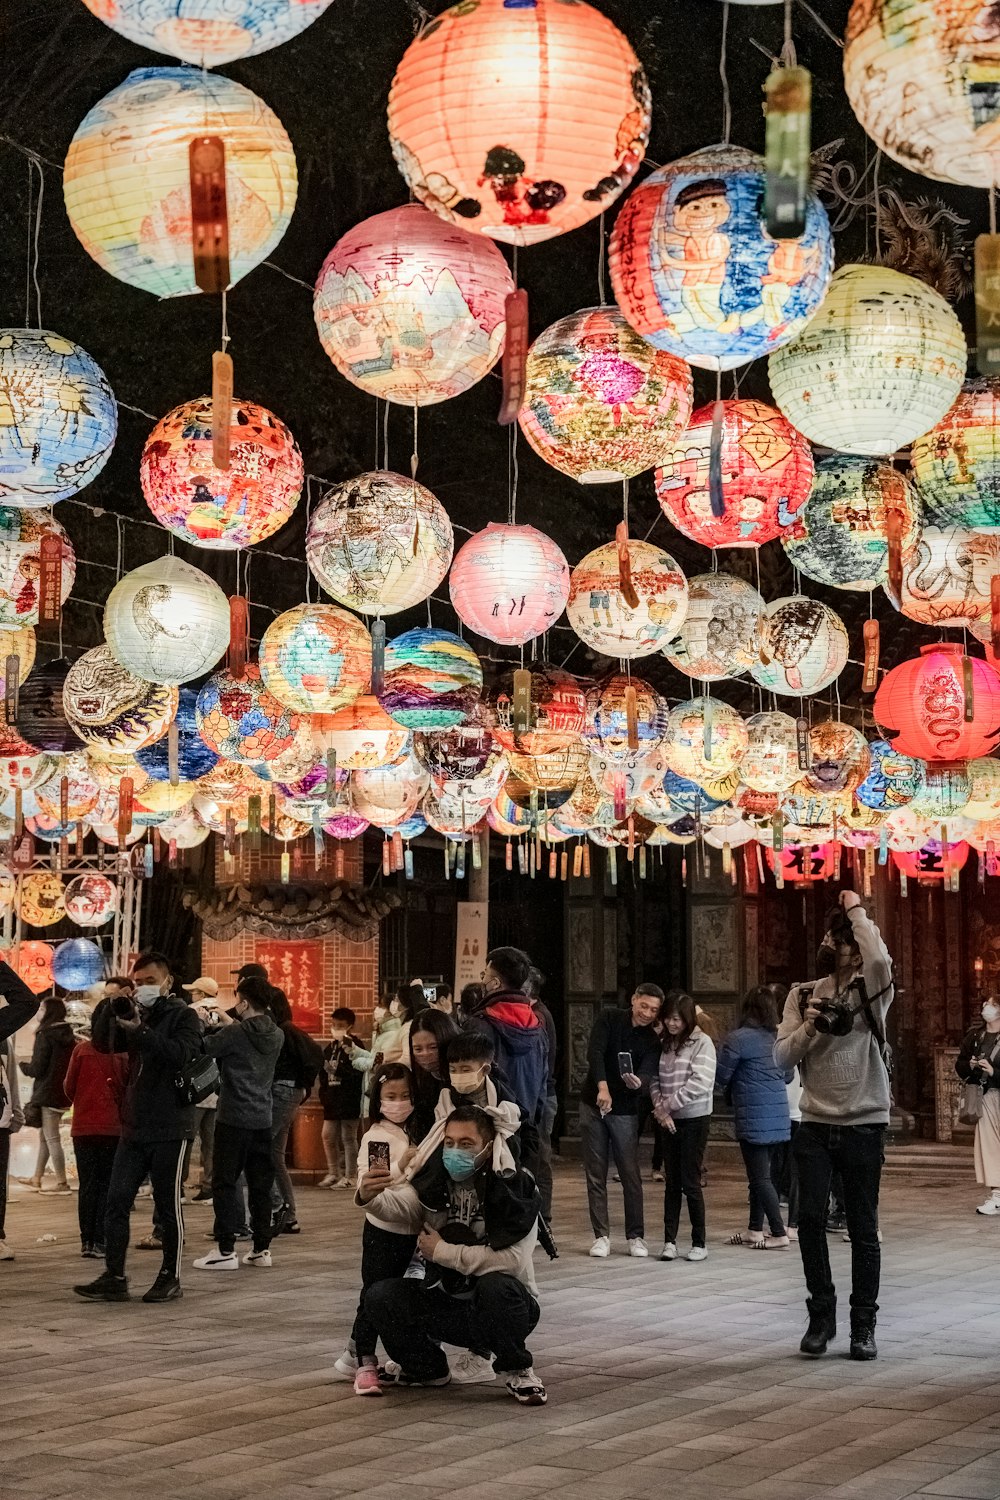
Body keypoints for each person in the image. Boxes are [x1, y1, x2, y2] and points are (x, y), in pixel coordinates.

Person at [774, 889, 894, 1361]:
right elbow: (781, 1057)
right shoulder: (802, 994)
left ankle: (863, 1324)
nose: (838, 945)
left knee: (863, 1227)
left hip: (865, 1121)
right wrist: (809, 1027)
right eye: (833, 936)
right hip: (816, 1122)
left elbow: (880, 956)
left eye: (845, 938)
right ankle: (821, 1316)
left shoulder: (874, 988)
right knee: (808, 1221)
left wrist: (856, 910)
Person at [362, 1103, 547, 1405]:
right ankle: (427, 1369)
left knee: (497, 1285)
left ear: (488, 1147)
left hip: (502, 1309)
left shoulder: (517, 1187)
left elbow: (512, 1260)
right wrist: (370, 1196)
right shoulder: (435, 1180)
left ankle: (518, 1369)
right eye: (448, 1143)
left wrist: (442, 1252)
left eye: (466, 1144)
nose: (454, 1151)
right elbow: (401, 1207)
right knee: (381, 1295)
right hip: (446, 1301)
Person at [75, 951, 202, 1305]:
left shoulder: (184, 1016)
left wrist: (142, 1031)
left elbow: (181, 1053)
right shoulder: (135, 1012)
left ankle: (170, 1276)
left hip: (172, 1125)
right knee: (116, 1201)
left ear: (167, 982)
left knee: (166, 1205)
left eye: (150, 982)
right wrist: (109, 1007)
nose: (144, 988)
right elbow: (103, 1044)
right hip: (134, 1125)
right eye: (139, 983)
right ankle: (114, 1275)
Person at [334, 1063, 423, 1395]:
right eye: (391, 1096)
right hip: (384, 1230)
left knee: (403, 1294)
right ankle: (364, 1361)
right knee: (372, 1294)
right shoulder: (377, 1136)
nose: (398, 1102)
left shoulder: (417, 1129)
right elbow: (377, 1183)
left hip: (415, 1231)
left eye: (405, 1095)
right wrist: (404, 1165)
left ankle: (388, 1355)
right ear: (378, 1099)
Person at [193, 975, 284, 1271]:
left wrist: (205, 1022)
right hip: (263, 1117)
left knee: (224, 1181)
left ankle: (226, 1249)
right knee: (260, 1184)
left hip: (233, 1117)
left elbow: (204, 1046)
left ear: (243, 1003)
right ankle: (261, 1249)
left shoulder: (236, 1034)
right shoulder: (277, 1035)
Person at [579, 985, 664, 1259]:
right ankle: (601, 1236)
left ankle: (635, 1236)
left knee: (630, 1173)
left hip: (625, 1109)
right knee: (596, 1172)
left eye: (654, 1010)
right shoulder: (610, 1018)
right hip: (593, 1103)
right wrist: (603, 1088)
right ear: (633, 999)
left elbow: (649, 1070)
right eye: (644, 1006)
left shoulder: (652, 1039)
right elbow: (595, 1053)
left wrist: (640, 1082)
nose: (648, 1013)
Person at [716, 986, 791, 1249]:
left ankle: (779, 1233)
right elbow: (789, 1075)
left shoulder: (737, 1039)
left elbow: (721, 1076)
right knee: (761, 1177)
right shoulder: (779, 1038)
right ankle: (754, 1230)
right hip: (779, 1116)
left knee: (760, 1179)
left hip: (753, 1116)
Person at [652, 990, 717, 1263]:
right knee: (671, 1182)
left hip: (694, 1118)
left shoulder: (702, 1042)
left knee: (690, 1181)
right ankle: (669, 1241)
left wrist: (667, 1106)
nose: (672, 1024)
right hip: (668, 1119)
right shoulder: (664, 1043)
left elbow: (701, 1082)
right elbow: (655, 1078)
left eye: (677, 1019)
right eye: (668, 1018)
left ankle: (699, 1242)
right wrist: (659, 1108)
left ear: (688, 1019)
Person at [63, 1001, 129, 1258]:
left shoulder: (82, 1051)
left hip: (83, 1128)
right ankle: (101, 1239)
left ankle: (86, 1240)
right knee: (107, 1185)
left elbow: (69, 1087)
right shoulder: (125, 1055)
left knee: (88, 1185)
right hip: (114, 1129)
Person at [464, 948, 549, 1144]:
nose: (482, 980)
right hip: (524, 1126)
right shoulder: (538, 1026)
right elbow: (542, 1085)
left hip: (485, 1130)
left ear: (495, 983)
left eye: (485, 974)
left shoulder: (479, 1024)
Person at [264, 985, 323, 1233]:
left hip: (283, 1091)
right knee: (275, 1155)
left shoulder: (282, 1031)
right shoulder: (290, 1029)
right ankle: (288, 1215)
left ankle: (280, 1209)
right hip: (291, 1093)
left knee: (261, 1149)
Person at [20, 996, 77, 1193]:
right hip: (63, 1093)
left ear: (48, 1012)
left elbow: (37, 1068)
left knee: (52, 1138)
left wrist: (22, 1066)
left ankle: (62, 1183)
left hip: (47, 1093)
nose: (39, 1012)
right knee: (46, 1137)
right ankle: (37, 1177)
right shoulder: (69, 1035)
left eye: (42, 1009)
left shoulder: (45, 1034)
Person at [956, 995, 1000, 1216]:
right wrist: (970, 1065)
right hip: (986, 1095)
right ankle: (997, 1195)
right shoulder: (976, 1036)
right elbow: (960, 1063)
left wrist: (995, 1072)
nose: (986, 1008)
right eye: (985, 1004)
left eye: (991, 1004)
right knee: (990, 1144)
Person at [179, 978, 220, 1203]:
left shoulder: (191, 1012)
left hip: (195, 1086)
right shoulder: (223, 1012)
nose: (191, 995)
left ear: (199, 993)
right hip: (216, 1086)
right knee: (211, 1142)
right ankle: (209, 1187)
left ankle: (180, 1186)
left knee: (186, 1140)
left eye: (193, 991)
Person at [524, 966, 558, 1223]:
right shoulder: (531, 1014)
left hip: (542, 1096)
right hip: (537, 1095)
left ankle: (543, 1219)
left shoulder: (537, 1018)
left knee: (541, 1158)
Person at [318, 1008, 365, 1188]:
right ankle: (333, 1173)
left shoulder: (356, 1046)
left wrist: (336, 1070)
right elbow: (323, 1073)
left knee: (348, 1138)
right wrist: (323, 1095)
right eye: (334, 1025)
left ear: (350, 1026)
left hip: (349, 1099)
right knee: (328, 1136)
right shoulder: (330, 1048)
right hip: (331, 1099)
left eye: (340, 1026)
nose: (336, 1028)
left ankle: (351, 1176)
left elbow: (358, 1072)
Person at [408, 1008, 460, 1137]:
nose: (425, 1054)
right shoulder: (423, 1077)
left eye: (433, 1047)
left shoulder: (467, 1074)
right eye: (418, 1049)